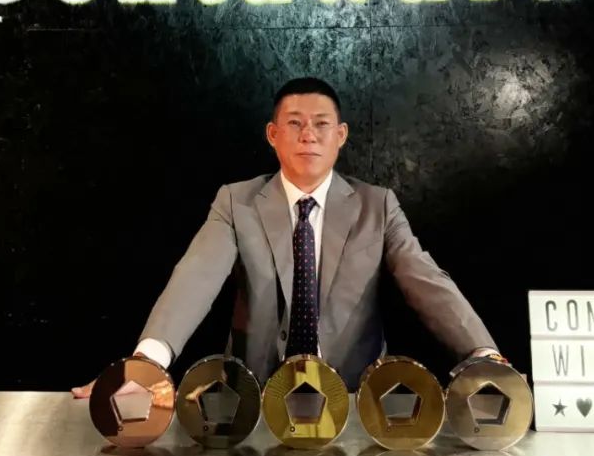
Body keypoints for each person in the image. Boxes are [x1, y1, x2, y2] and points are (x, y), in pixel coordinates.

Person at [73, 77, 503, 397]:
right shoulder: (236, 202)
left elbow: (424, 278)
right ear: (273, 135)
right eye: (294, 123)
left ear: (341, 135)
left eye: (321, 124)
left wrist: (482, 354)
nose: (308, 135)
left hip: (355, 399)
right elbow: (195, 277)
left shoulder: (378, 206)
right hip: (253, 398)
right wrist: (148, 362)